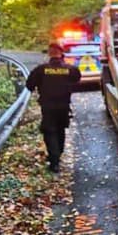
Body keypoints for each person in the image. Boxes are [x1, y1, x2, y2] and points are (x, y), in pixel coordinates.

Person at [25, 43, 81, 171]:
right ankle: (58, 155)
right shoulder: (70, 69)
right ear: (61, 53)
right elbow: (77, 81)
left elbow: (29, 85)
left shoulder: (41, 69)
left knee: (49, 131)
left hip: (48, 106)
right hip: (63, 106)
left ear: (49, 53)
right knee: (60, 130)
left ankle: (54, 161)